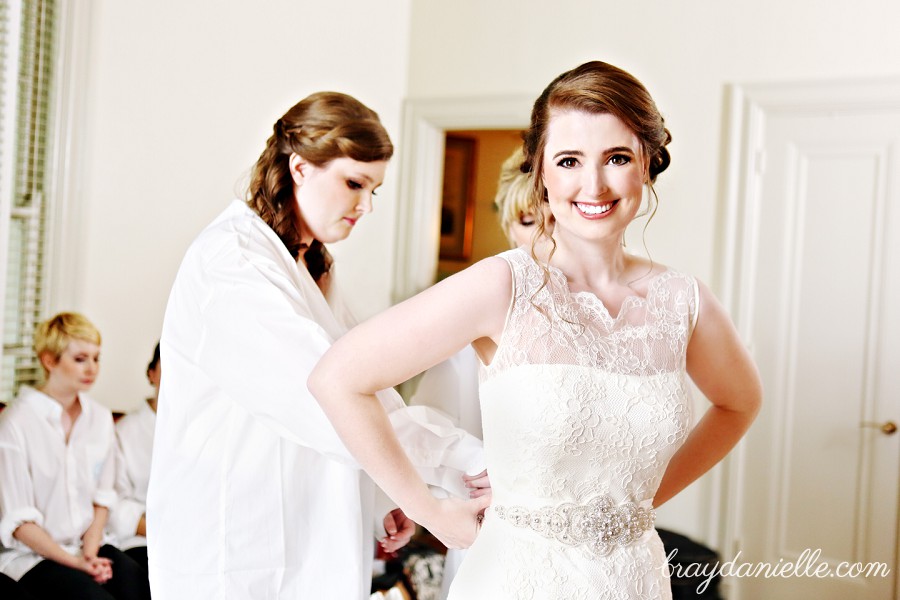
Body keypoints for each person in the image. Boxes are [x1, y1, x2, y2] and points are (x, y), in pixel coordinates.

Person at [309, 60, 762, 599]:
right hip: (518, 579)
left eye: (617, 157)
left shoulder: (683, 301)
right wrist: (427, 508)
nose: (592, 184)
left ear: (648, 163)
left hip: (634, 579)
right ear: (541, 171)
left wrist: (641, 504)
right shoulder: (502, 285)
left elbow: (739, 404)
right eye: (569, 160)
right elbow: (338, 378)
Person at [146, 91, 487, 600]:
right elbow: (328, 399)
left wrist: (381, 495)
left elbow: (370, 390)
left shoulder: (311, 264)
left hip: (308, 534)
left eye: (374, 189)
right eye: (354, 183)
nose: (365, 205)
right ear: (300, 167)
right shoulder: (231, 263)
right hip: (237, 546)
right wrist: (452, 474)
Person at [408, 146, 553, 599]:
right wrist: (477, 468)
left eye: (556, 219)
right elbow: (426, 419)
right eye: (529, 222)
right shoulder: (477, 311)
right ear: (510, 226)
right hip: (496, 538)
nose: (545, 237)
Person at [0, 312, 151, 600]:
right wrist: (76, 563)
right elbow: (19, 523)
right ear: (49, 360)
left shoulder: (100, 418)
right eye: (81, 359)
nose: (92, 368)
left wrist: (90, 554)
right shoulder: (15, 424)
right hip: (34, 556)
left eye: (96, 358)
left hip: (89, 545)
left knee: (141, 587)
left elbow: (102, 499)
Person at [108, 343, 160, 571]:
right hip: (142, 539)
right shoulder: (125, 432)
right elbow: (115, 502)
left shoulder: (206, 430)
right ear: (151, 373)